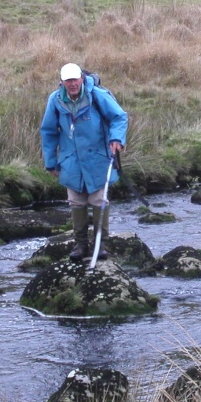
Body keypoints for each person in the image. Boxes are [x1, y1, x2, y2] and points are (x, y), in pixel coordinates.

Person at [40, 63, 128, 260]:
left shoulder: (97, 95)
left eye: (75, 79)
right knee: (76, 202)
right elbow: (48, 132)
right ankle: (80, 245)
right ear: (61, 82)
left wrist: (116, 139)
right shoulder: (55, 100)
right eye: (68, 80)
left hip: (98, 158)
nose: (72, 84)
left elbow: (119, 118)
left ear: (81, 78)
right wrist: (51, 162)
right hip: (71, 161)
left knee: (98, 200)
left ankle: (100, 245)